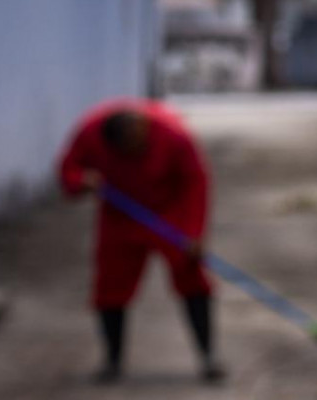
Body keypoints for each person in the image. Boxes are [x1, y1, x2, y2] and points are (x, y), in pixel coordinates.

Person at [59, 99, 224, 383]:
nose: (134, 153)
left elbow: (196, 180)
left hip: (170, 214)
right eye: (125, 150)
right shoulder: (89, 132)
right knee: (109, 287)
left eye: (137, 146)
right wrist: (81, 181)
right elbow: (67, 173)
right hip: (120, 216)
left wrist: (195, 232)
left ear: (144, 127)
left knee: (192, 279)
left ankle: (208, 358)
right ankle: (112, 361)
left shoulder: (174, 134)